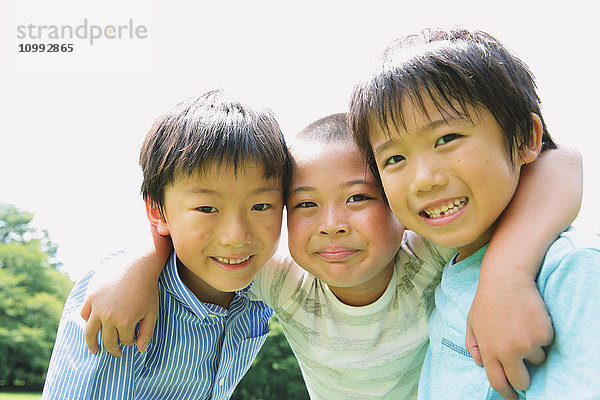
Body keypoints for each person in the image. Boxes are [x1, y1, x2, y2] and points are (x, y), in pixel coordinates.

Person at [80, 109, 581, 399]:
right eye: (303, 205)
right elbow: (200, 236)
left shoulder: (423, 255)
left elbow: (560, 161)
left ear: (397, 204)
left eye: (359, 197)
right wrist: (139, 261)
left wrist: (506, 275)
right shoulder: (284, 279)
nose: (332, 222)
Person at [349, 27, 597, 398]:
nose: (423, 180)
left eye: (446, 139)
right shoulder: (443, 265)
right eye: (395, 158)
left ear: (526, 138)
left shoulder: (569, 270)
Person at [41, 90, 291, 400]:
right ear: (158, 211)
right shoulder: (119, 303)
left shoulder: (264, 291)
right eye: (207, 209)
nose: (237, 236)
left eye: (261, 206)